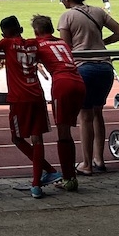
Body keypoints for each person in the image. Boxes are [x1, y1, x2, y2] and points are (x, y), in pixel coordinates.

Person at [57, 0, 119, 176]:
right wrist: (102, 43)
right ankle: (99, 159)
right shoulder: (98, 11)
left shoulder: (67, 17)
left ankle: (86, 164)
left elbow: (66, 48)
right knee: (98, 113)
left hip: (84, 68)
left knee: (85, 116)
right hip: (105, 67)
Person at [0, 17, 58, 199]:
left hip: (19, 99)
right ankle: (37, 183)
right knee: (37, 139)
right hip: (37, 95)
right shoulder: (34, 44)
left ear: (3, 33)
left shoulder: (6, 43)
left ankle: (47, 171)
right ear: (21, 29)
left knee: (17, 138)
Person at [31, 14, 86, 192]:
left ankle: (69, 178)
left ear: (36, 31)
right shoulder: (62, 42)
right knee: (67, 130)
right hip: (78, 81)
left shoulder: (37, 44)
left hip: (62, 83)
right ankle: (70, 175)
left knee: (63, 132)